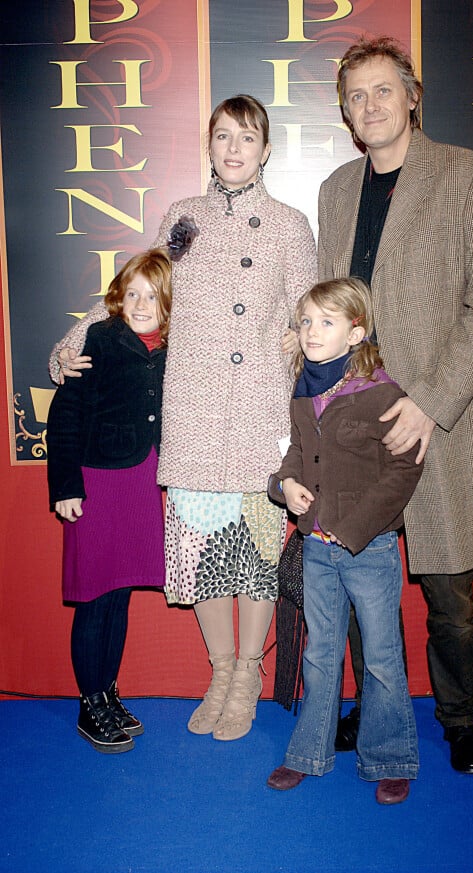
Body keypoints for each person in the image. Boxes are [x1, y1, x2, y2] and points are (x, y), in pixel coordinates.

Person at [49, 95, 318, 742]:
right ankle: (219, 670)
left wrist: (293, 336)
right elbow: (140, 284)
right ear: (209, 145)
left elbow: (309, 311)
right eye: (222, 137)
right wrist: (75, 338)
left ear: (266, 149)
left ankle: (249, 673)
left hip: (256, 408)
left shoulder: (287, 224)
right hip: (192, 409)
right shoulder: (186, 220)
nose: (233, 150)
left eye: (246, 138)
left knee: (253, 554)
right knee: (203, 555)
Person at [318, 36, 473, 773]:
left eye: (381, 90)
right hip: (357, 426)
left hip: (438, 421)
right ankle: (376, 707)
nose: (369, 105)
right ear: (345, 112)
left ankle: (461, 717)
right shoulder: (336, 189)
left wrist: (430, 403)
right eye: (355, 97)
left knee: (449, 590)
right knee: (365, 582)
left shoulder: (469, 176)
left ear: (412, 96)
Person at [266, 277, 423, 805]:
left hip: (369, 548)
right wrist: (283, 486)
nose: (311, 331)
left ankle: (391, 757)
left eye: (326, 322)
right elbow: (295, 456)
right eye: (305, 320)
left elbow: (403, 471)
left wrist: (356, 531)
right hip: (316, 547)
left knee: (380, 656)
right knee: (319, 652)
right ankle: (308, 753)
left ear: (356, 332)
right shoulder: (304, 389)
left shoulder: (381, 393)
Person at [47, 248, 172, 753]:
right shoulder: (97, 339)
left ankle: (108, 691)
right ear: (118, 299)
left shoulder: (175, 348)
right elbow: (65, 417)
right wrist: (65, 487)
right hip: (97, 481)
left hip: (143, 477)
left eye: (153, 296)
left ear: (169, 305)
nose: (141, 304)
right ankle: (89, 700)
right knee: (96, 597)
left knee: (120, 595)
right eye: (133, 294)